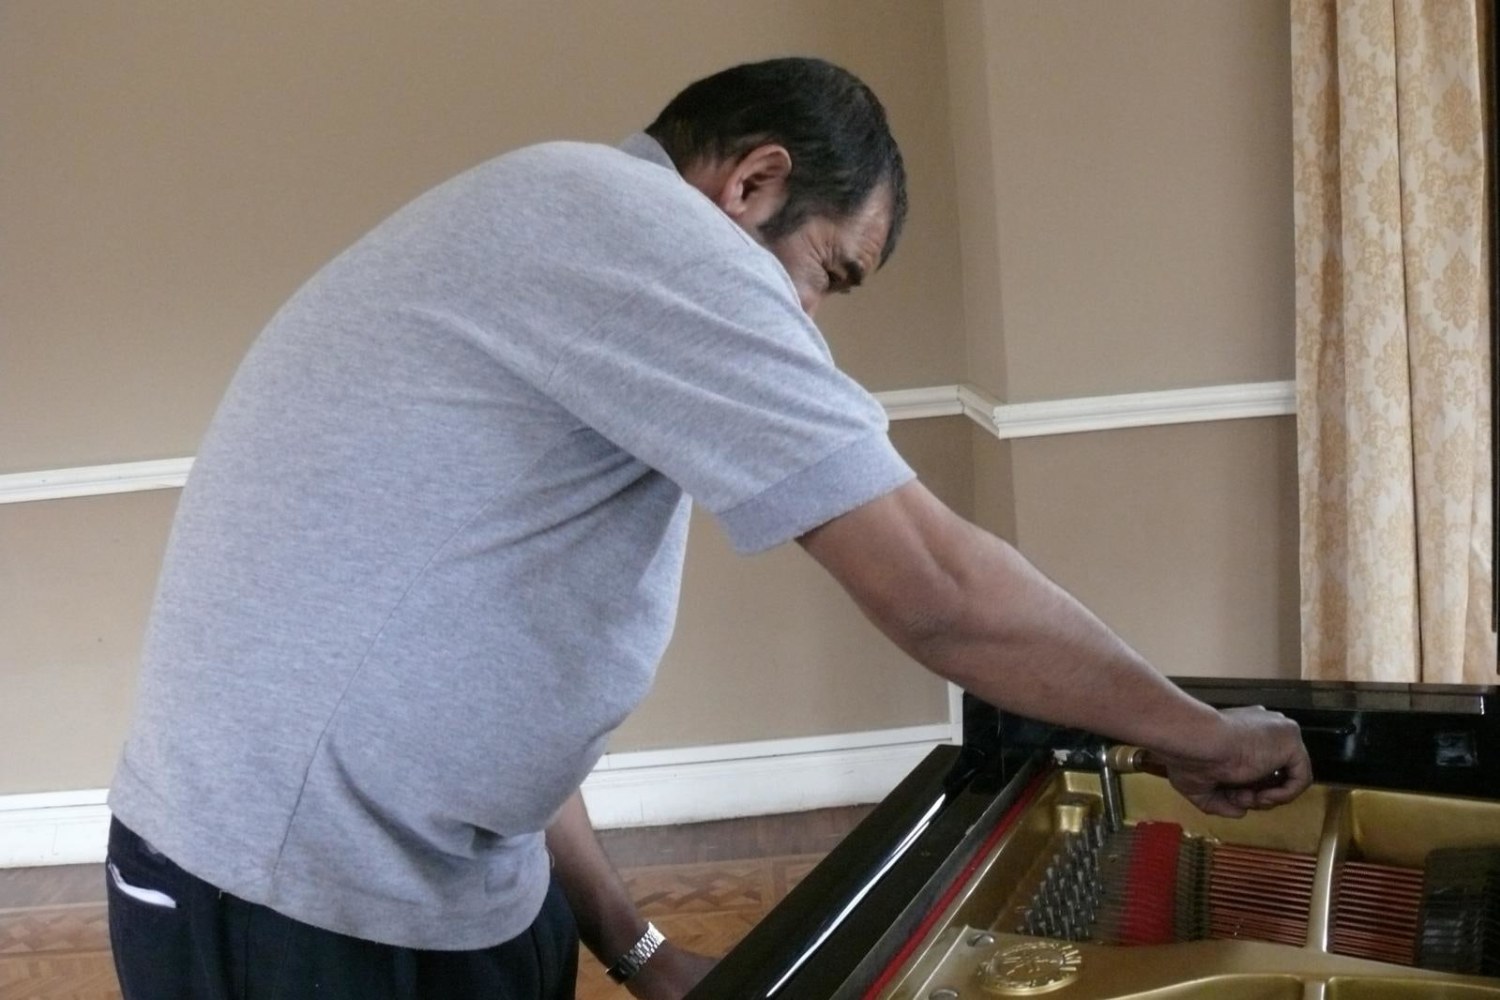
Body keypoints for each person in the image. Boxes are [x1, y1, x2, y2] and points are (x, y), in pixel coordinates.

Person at [106, 57, 1312, 1000]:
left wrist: (635, 947)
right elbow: (936, 588)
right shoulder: (639, 226)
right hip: (276, 895)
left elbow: (494, 681)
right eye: (829, 273)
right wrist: (1198, 732)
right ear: (752, 182)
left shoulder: (564, 224)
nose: (808, 320)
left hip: (439, 882)